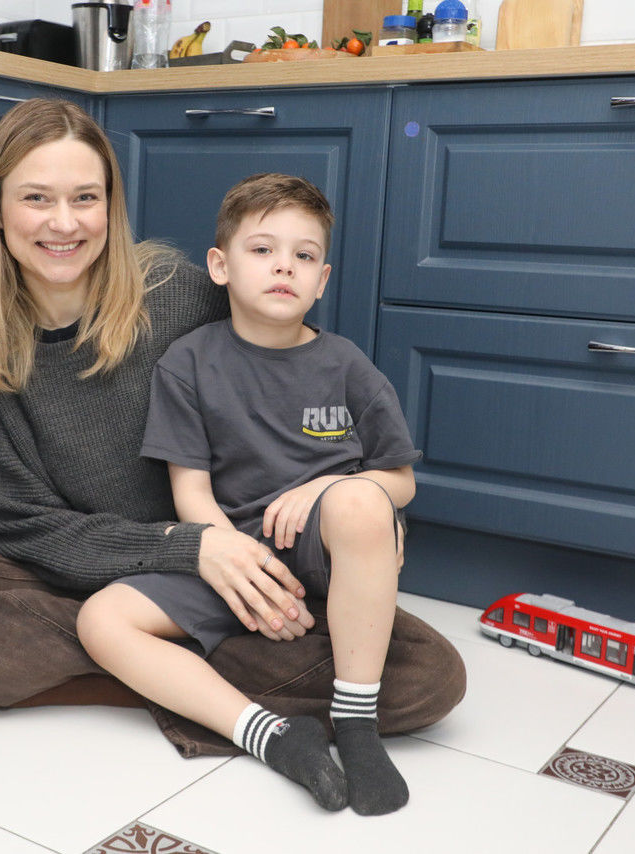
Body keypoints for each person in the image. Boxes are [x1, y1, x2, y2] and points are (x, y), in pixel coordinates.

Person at [0, 99, 466, 761]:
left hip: (228, 572)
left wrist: (358, 507)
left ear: (111, 206)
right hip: (83, 572)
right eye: (36, 198)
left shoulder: (179, 292)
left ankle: (116, 670)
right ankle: (159, 669)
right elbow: (19, 526)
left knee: (429, 674)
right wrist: (185, 548)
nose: (64, 222)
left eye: (85, 197)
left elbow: (293, 375)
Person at [76, 173, 419, 815]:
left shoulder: (348, 366)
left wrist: (331, 485)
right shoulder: (187, 363)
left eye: (304, 255)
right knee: (100, 619)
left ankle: (356, 723)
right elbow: (191, 493)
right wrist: (243, 569)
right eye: (262, 249)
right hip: (234, 548)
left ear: (322, 280)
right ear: (220, 266)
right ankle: (272, 735)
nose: (284, 265)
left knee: (361, 502)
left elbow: (400, 480)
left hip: (331, 548)